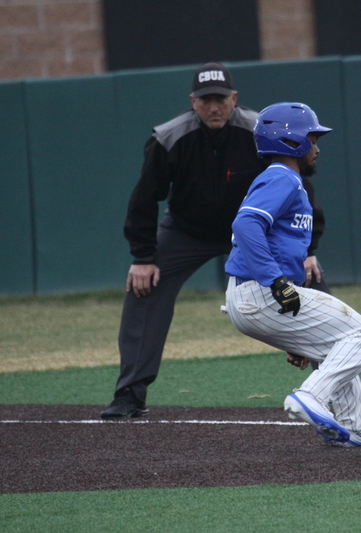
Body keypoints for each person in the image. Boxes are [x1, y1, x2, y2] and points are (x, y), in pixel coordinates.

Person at [101, 63, 330, 418]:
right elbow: (144, 198)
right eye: (205, 100)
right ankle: (129, 395)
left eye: (220, 99)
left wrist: (308, 251)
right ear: (193, 102)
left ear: (233, 99)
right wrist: (143, 257)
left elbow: (299, 189)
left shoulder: (258, 131)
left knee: (312, 282)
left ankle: (329, 388)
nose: (213, 107)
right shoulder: (169, 137)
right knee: (144, 288)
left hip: (256, 231)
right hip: (187, 230)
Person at [224, 102, 361, 447]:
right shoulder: (282, 176)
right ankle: (310, 396)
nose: (317, 148)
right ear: (292, 142)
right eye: (312, 139)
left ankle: (356, 428)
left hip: (253, 294)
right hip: (260, 290)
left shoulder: (286, 180)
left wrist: (299, 333)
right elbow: (245, 224)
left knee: (335, 343)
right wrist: (276, 282)